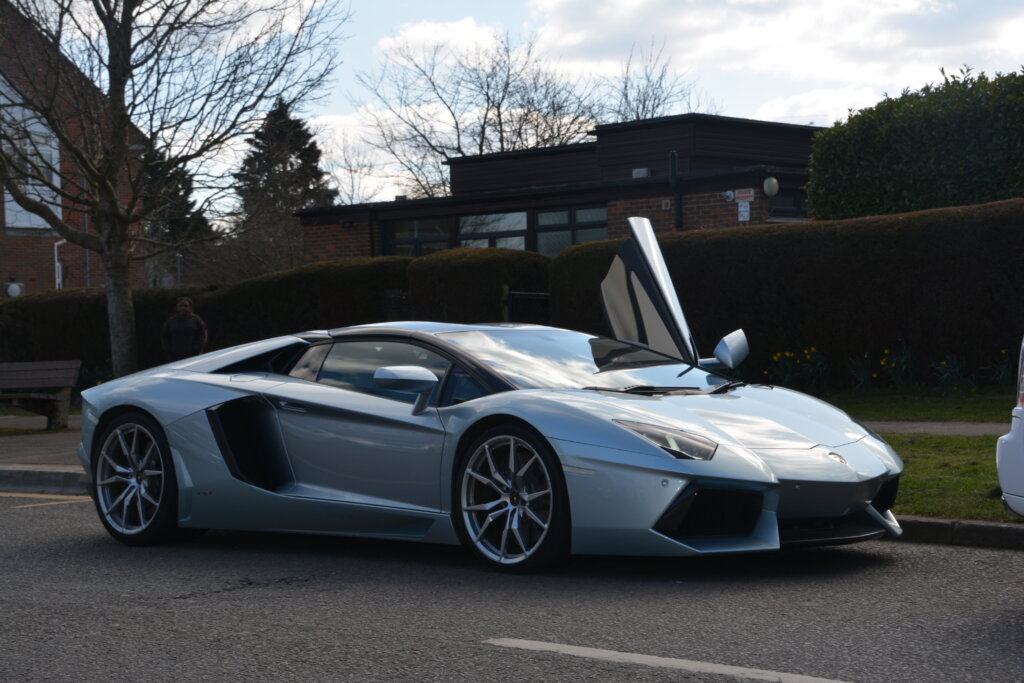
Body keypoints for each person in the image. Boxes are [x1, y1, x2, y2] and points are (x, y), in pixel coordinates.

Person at [161, 297, 208, 361]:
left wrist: (197, 349)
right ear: (177, 307)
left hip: (192, 356)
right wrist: (169, 350)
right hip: (175, 356)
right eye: (180, 305)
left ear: (190, 308)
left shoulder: (196, 320)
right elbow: (165, 336)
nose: (183, 308)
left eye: (185, 306)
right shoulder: (171, 321)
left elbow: (203, 335)